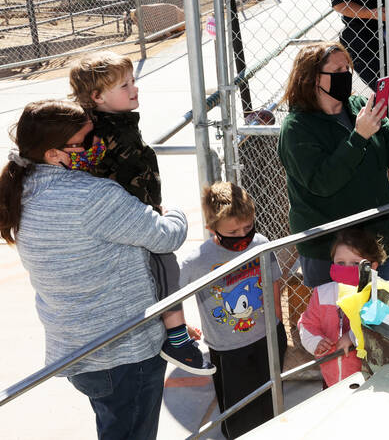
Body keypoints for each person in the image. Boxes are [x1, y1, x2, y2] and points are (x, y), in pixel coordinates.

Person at [0, 99, 187, 440]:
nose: (96, 146)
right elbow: (166, 237)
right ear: (54, 154)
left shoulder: (21, 190)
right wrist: (171, 210)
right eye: (86, 141)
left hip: (76, 350)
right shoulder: (93, 196)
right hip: (124, 353)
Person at [68, 51, 214, 375]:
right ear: (97, 96)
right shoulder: (106, 134)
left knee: (159, 274)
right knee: (166, 267)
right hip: (134, 222)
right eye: (124, 85)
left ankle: (171, 325)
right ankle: (176, 336)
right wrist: (150, 212)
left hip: (136, 214)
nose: (135, 88)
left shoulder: (112, 125)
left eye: (133, 81)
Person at [277, 41, 389, 287]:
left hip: (380, 244)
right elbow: (323, 182)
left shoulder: (360, 108)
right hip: (331, 254)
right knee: (337, 323)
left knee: (387, 319)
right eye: (337, 71)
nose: (346, 75)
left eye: (347, 69)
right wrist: (359, 137)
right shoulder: (297, 128)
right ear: (312, 79)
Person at [178, 182, 286, 440]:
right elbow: (172, 296)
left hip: (267, 339)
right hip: (227, 349)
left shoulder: (260, 243)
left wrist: (277, 324)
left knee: (270, 403)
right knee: (238, 414)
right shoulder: (197, 260)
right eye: (233, 231)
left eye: (247, 227)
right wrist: (181, 326)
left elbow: (273, 280)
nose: (242, 235)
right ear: (212, 228)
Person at [297, 227, 386, 388]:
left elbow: (378, 328)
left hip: (368, 379)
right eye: (340, 263)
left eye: (355, 263)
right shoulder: (322, 293)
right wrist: (315, 342)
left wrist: (351, 337)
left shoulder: (378, 293)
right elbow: (307, 324)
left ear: (372, 266)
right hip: (331, 378)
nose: (346, 268)